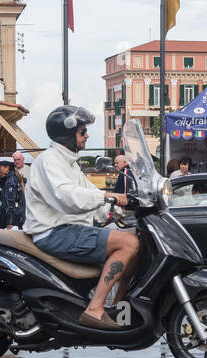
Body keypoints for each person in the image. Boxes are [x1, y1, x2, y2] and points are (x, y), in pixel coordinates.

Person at [24, 105, 139, 330]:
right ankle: (95, 309)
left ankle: (117, 307)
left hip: (69, 229)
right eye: (82, 131)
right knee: (128, 243)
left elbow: (91, 199)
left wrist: (121, 208)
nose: (87, 136)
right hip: (54, 232)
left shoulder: (70, 164)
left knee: (137, 241)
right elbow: (67, 197)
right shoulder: (49, 161)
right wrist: (107, 195)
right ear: (68, 134)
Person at [0, 160, 27, 230]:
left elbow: (10, 202)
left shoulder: (10, 181)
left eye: (0, 167)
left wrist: (10, 221)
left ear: (7, 168)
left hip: (11, 216)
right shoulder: (7, 179)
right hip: (11, 213)